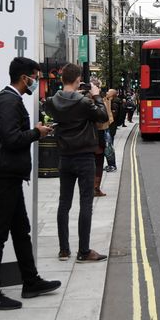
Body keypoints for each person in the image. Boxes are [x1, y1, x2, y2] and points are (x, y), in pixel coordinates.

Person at [0, 57, 61, 310]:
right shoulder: (8, 102)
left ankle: (31, 281)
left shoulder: (8, 100)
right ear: (24, 77)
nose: (36, 81)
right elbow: (12, 139)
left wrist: (35, 130)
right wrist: (38, 132)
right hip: (2, 176)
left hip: (10, 176)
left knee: (21, 231)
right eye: (34, 77)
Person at [45, 63, 109, 264]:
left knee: (64, 203)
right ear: (77, 79)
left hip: (65, 156)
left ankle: (64, 249)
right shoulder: (84, 102)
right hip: (84, 156)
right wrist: (97, 95)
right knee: (86, 202)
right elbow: (102, 116)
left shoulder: (51, 101)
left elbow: (65, 107)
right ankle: (84, 251)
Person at [93, 79, 113, 197]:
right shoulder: (100, 101)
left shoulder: (83, 100)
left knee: (92, 162)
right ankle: (95, 188)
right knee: (99, 161)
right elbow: (106, 119)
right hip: (98, 134)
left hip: (86, 136)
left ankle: (93, 187)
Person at [104, 89, 120, 172]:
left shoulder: (114, 103)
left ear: (112, 95)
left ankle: (112, 165)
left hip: (110, 127)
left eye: (108, 92)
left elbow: (113, 115)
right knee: (108, 146)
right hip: (110, 127)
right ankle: (111, 164)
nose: (106, 93)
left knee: (109, 147)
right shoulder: (110, 101)